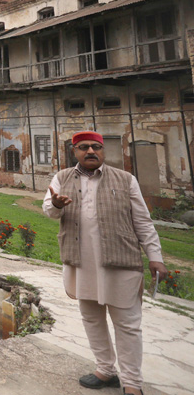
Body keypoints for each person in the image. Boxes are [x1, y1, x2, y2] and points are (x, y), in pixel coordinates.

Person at [43, 131, 167, 395]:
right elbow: (49, 211)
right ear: (74, 151)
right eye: (84, 148)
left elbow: (143, 222)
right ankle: (105, 370)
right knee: (92, 318)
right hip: (80, 263)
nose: (91, 152)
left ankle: (132, 383)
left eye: (96, 147)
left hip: (120, 262)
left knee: (128, 324)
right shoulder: (62, 178)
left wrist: (155, 257)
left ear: (104, 151)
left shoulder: (125, 180)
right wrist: (55, 204)